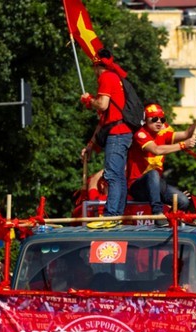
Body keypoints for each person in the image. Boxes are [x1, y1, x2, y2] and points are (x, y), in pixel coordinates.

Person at [127, 102, 196, 224]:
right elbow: (156, 149)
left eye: (162, 119)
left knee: (183, 201)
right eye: (154, 119)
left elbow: (187, 134)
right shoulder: (140, 134)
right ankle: (157, 214)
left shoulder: (163, 134)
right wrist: (183, 145)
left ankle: (171, 220)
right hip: (138, 186)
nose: (159, 122)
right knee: (153, 173)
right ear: (145, 120)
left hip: (157, 185)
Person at [80, 48, 133, 229]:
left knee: (112, 174)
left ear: (96, 66)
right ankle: (116, 214)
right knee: (117, 175)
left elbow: (102, 105)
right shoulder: (115, 77)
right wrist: (90, 145)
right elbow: (103, 121)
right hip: (119, 132)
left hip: (117, 134)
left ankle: (111, 215)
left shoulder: (106, 77)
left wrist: (89, 100)